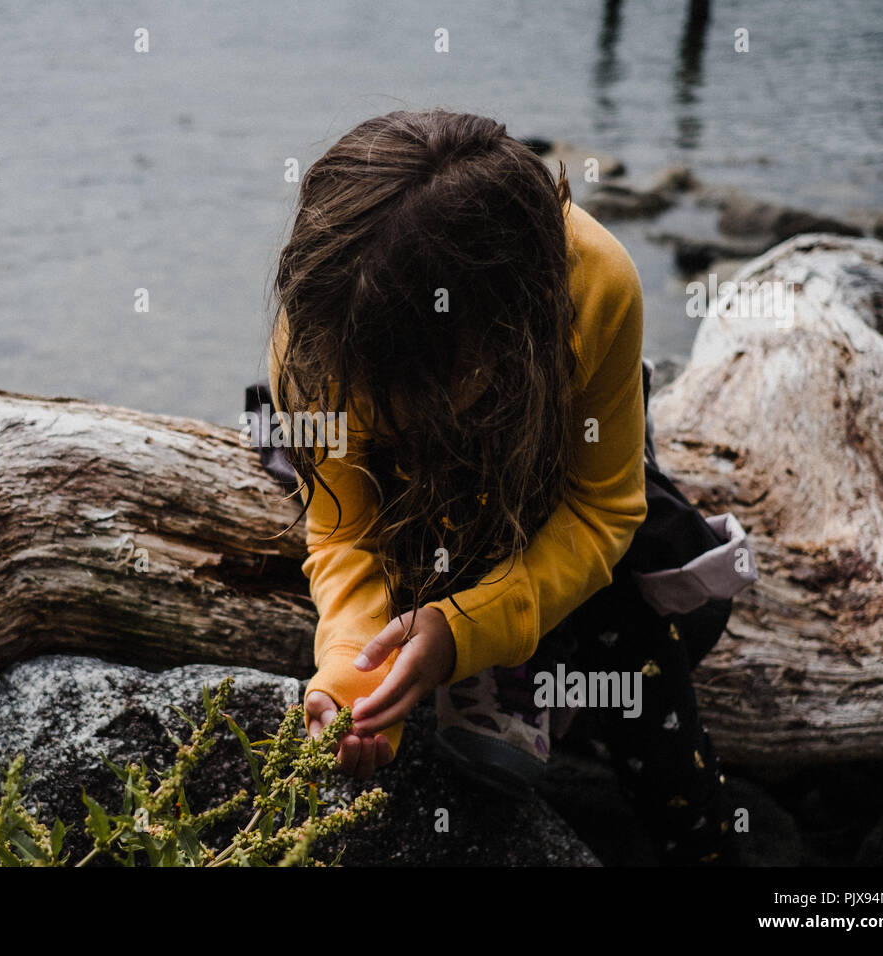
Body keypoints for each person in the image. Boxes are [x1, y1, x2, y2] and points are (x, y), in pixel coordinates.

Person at [265, 109, 741, 864]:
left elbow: (603, 506)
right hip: (428, 473)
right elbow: (346, 529)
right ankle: (515, 662)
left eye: (412, 394)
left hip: (556, 433)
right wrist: (356, 674)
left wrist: (464, 630)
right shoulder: (325, 317)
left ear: (512, 333)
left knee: (638, 641)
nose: (381, 405)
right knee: (364, 477)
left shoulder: (597, 285)